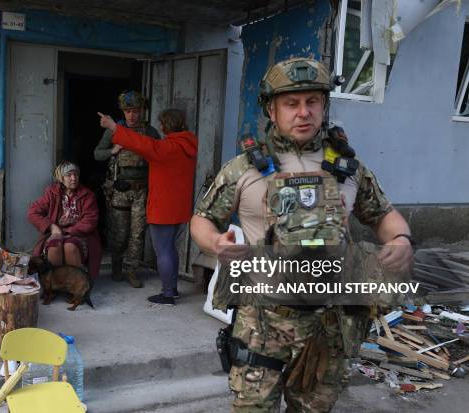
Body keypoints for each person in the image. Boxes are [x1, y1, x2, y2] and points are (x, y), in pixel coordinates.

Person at [190, 58, 414, 412]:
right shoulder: (243, 169)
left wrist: (401, 240)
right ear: (271, 109)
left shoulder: (348, 170)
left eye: (313, 102)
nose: (303, 112)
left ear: (324, 105)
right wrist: (215, 243)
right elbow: (201, 220)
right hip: (261, 324)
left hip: (325, 327)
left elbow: (384, 215)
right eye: (291, 103)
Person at [99, 108, 198, 305]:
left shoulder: (166, 148)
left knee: (163, 250)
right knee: (170, 249)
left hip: (164, 208)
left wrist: (113, 126)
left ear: (165, 126)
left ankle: (168, 293)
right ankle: (173, 289)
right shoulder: (188, 144)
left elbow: (140, 142)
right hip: (180, 208)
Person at [94, 91, 161, 288]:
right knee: (119, 232)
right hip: (119, 191)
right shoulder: (115, 130)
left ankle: (132, 270)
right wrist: (112, 151)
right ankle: (116, 266)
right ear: (123, 112)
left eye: (135, 111)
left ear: (142, 111)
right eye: (128, 111)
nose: (132, 115)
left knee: (137, 233)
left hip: (141, 190)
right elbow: (97, 154)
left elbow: (160, 155)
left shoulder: (150, 132)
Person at [27, 161, 102, 279]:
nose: (73, 178)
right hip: (56, 233)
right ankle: (55, 284)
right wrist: (52, 227)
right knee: (54, 246)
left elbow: (90, 221)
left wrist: (68, 232)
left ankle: (75, 285)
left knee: (70, 246)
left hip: (80, 234)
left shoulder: (87, 195)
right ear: (61, 178)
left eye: (76, 174)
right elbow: (33, 212)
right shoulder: (52, 193)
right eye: (69, 175)